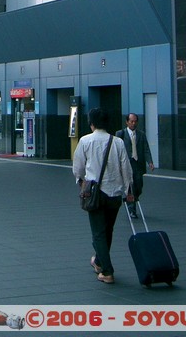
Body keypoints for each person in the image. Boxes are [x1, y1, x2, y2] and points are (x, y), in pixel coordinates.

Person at [73, 107, 133, 285]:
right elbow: (126, 169)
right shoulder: (118, 142)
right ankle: (99, 261)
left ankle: (107, 271)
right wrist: (128, 190)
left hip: (95, 194)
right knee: (108, 230)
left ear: (91, 123)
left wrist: (81, 182)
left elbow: (78, 167)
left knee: (98, 233)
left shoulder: (85, 141)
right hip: (115, 193)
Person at [115, 113, 154, 219]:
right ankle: (132, 209)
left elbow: (146, 149)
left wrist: (150, 162)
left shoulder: (141, 134)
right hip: (126, 164)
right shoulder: (120, 134)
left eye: (135, 121)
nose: (133, 123)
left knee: (138, 186)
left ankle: (132, 198)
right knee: (130, 187)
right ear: (127, 122)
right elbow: (116, 150)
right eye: (131, 121)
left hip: (138, 164)